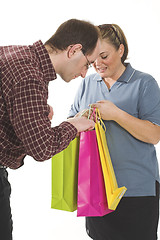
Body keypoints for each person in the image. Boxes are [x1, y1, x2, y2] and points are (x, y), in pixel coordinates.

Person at [0, 18, 101, 239]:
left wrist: (28, 113)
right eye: (88, 64)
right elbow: (42, 148)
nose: (85, 74)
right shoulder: (29, 77)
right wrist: (73, 125)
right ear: (74, 50)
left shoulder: (13, 53)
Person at [69, 24, 160, 240]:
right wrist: (79, 120)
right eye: (93, 59)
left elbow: (155, 134)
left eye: (104, 55)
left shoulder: (144, 83)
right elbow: (71, 124)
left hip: (136, 190)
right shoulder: (87, 84)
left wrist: (116, 114)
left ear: (120, 50)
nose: (98, 64)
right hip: (96, 189)